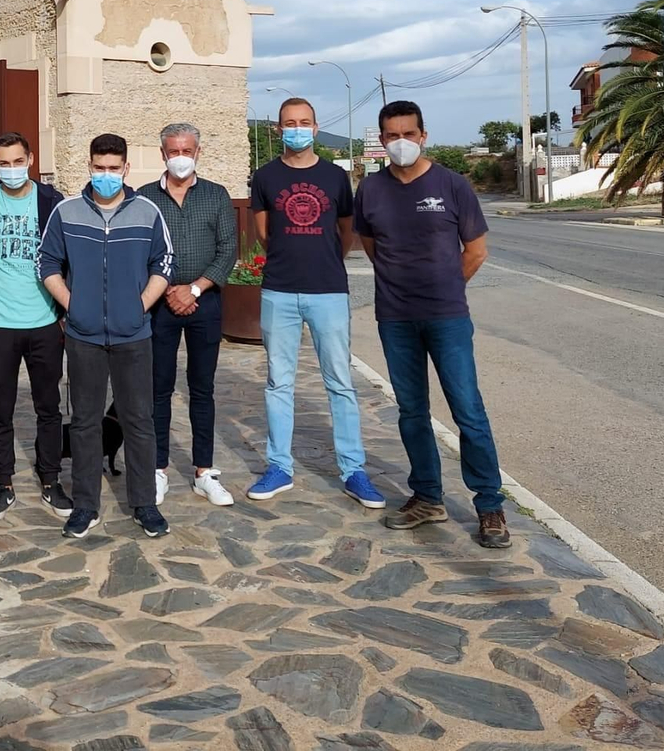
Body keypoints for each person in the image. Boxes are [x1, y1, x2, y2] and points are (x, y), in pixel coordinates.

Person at [353, 100, 508, 549]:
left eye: (409, 134)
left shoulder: (452, 185)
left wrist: (444, 286)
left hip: (447, 317)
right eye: (392, 135)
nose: (400, 142)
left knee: (468, 411)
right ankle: (427, 497)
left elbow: (476, 250)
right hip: (395, 317)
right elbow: (371, 243)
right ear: (382, 141)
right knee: (411, 411)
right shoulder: (372, 190)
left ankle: (489, 505)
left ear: (423, 136)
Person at [246, 98, 385, 509]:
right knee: (278, 383)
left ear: (316, 127)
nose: (297, 129)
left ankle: (353, 470)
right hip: (279, 291)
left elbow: (347, 232)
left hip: (328, 290)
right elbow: (264, 234)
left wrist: (323, 260)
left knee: (340, 382)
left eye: (304, 122)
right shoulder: (266, 177)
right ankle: (279, 466)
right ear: (278, 129)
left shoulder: (335, 178)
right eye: (290, 123)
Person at [38, 133, 173, 539]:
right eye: (100, 168)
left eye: (114, 169)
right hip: (84, 337)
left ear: (126, 169)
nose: (107, 175)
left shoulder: (147, 212)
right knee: (83, 422)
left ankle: (144, 505)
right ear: (90, 166)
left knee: (138, 421)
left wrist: (139, 305)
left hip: (133, 335)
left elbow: (164, 262)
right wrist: (72, 303)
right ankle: (85, 505)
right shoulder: (66, 212)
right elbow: (46, 262)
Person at [137, 122, 237, 508]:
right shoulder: (145, 199)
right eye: (174, 150)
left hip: (204, 302)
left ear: (198, 152)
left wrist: (194, 289)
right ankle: (158, 468)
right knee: (157, 389)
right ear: (162, 153)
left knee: (202, 388)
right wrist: (166, 291)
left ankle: (203, 472)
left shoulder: (216, 195)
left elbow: (227, 249)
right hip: (159, 305)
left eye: (187, 150)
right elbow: (140, 251)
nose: (181, 157)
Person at [0, 133, 71, 522]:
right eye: (3, 163)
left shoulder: (52, 202)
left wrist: (65, 310)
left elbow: (68, 257)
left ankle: (51, 479)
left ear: (30, 159)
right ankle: (4, 482)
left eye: (17, 161)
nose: (10, 169)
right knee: (2, 408)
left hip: (45, 320)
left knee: (49, 406)